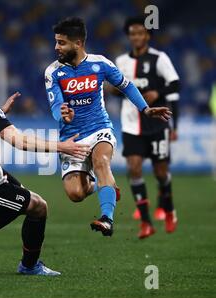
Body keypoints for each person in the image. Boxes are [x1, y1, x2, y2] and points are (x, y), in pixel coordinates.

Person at [0, 46, 90, 275]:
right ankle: (29, 266)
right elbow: (20, 141)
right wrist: (60, 146)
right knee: (38, 207)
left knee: (20, 200)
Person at [44, 17, 172, 236]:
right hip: (71, 137)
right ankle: (105, 186)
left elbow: (126, 85)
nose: (56, 47)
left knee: (101, 161)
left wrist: (145, 109)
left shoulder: (100, 64)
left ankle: (107, 219)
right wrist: (62, 114)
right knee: (75, 194)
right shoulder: (53, 72)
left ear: (78, 43)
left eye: (61, 43)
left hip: (99, 128)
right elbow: (56, 105)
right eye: (56, 42)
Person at [115, 16, 180, 238]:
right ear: (129, 36)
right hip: (131, 124)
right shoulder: (121, 61)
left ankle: (169, 210)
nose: (136, 37)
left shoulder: (159, 58)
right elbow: (114, 87)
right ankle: (146, 222)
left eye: (140, 33)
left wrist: (158, 93)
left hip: (157, 124)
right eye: (132, 33)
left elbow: (175, 82)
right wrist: (118, 90)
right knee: (133, 169)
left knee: (161, 173)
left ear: (148, 35)